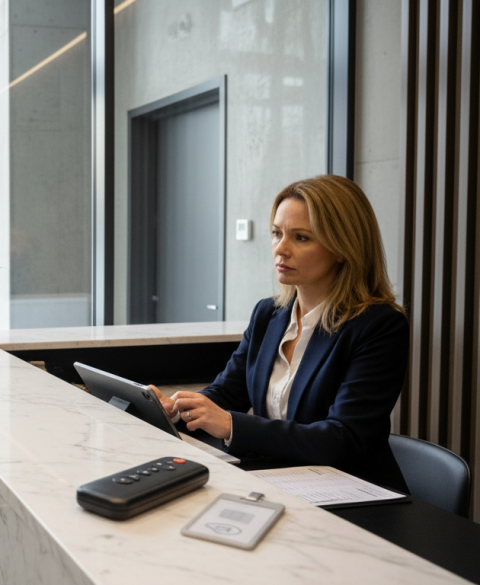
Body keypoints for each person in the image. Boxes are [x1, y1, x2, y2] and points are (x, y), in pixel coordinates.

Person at [151, 175, 410, 492]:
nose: (280, 249)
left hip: (352, 494)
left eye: (301, 238)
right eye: (276, 233)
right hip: (276, 481)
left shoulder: (379, 326)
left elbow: (344, 438)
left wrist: (232, 424)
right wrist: (177, 409)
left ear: (342, 248)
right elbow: (226, 394)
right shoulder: (269, 314)